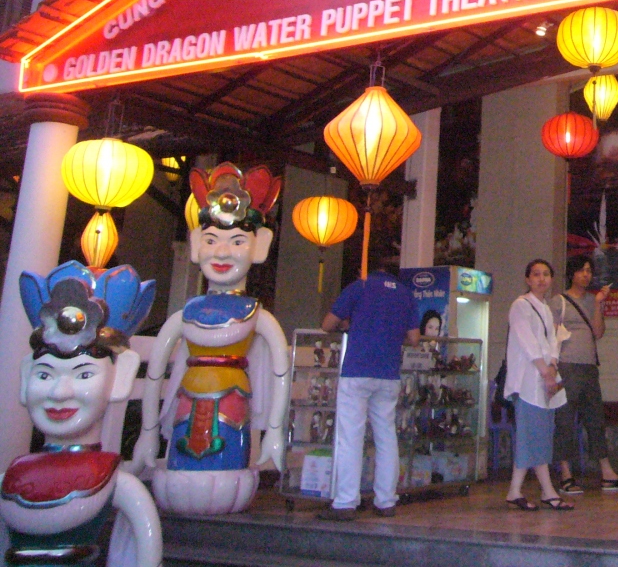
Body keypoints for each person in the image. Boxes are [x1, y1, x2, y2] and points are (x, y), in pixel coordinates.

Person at [135, 163, 290, 516]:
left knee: (229, 458)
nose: (221, 252)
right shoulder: (186, 313)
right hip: (187, 402)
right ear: (195, 244)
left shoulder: (255, 314)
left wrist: (274, 431)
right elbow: (155, 374)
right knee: (182, 453)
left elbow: (281, 373)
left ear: (260, 246)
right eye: (210, 240)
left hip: (232, 404)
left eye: (237, 241)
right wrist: (148, 431)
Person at [4, 265, 162, 567]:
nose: (59, 392)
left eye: (84, 374)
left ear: (120, 378)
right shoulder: (8, 482)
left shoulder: (122, 488)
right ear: (25, 377)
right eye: (45, 374)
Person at [319, 246, 420, 520]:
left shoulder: (359, 287)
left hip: (357, 371)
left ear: (365, 268)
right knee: (386, 436)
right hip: (388, 374)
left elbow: (327, 324)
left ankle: (345, 503)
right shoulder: (405, 294)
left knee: (350, 437)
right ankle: (386, 501)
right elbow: (414, 338)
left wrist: (350, 326)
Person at [552, 257, 618, 493]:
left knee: (595, 419)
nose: (586, 275)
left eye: (589, 271)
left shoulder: (592, 300)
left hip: (589, 367)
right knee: (565, 420)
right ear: (572, 274)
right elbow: (548, 335)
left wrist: (599, 304)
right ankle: (565, 474)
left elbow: (598, 332)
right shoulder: (559, 301)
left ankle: (607, 473)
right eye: (581, 270)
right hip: (566, 366)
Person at [505, 259, 573, 510]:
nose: (541, 279)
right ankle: (547, 491)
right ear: (527, 279)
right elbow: (528, 343)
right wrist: (546, 372)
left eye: (546, 274)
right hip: (527, 382)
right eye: (536, 274)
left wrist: (552, 366)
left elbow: (552, 342)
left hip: (544, 381)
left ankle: (515, 491)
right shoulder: (520, 306)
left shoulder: (545, 308)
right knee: (532, 435)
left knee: (539, 434)